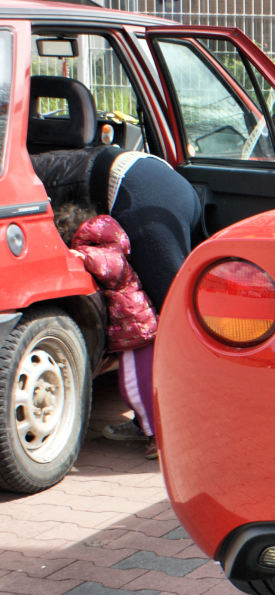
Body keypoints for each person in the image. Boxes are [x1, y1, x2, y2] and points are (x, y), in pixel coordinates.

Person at [33, 147, 202, 459]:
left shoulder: (20, 176)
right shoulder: (40, 162)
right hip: (160, 180)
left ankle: (177, 434)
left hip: (140, 193)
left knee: (177, 318)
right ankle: (161, 424)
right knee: (180, 309)